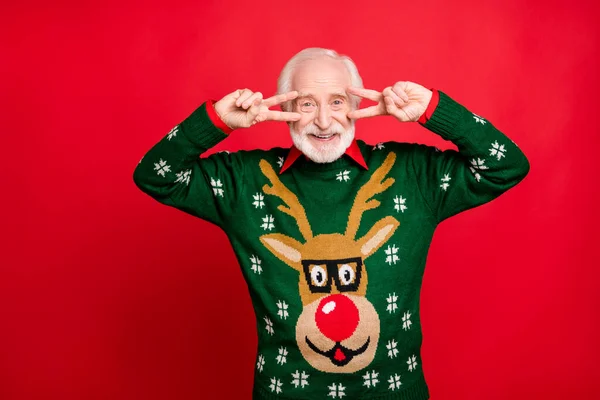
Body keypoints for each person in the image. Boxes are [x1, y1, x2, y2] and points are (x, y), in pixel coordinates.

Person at [133, 47, 529, 400]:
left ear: (358, 103)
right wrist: (217, 120)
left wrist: (432, 110)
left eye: (337, 101)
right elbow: (155, 175)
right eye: (306, 103)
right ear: (283, 108)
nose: (324, 120)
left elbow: (505, 166)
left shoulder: (412, 172)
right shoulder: (244, 180)